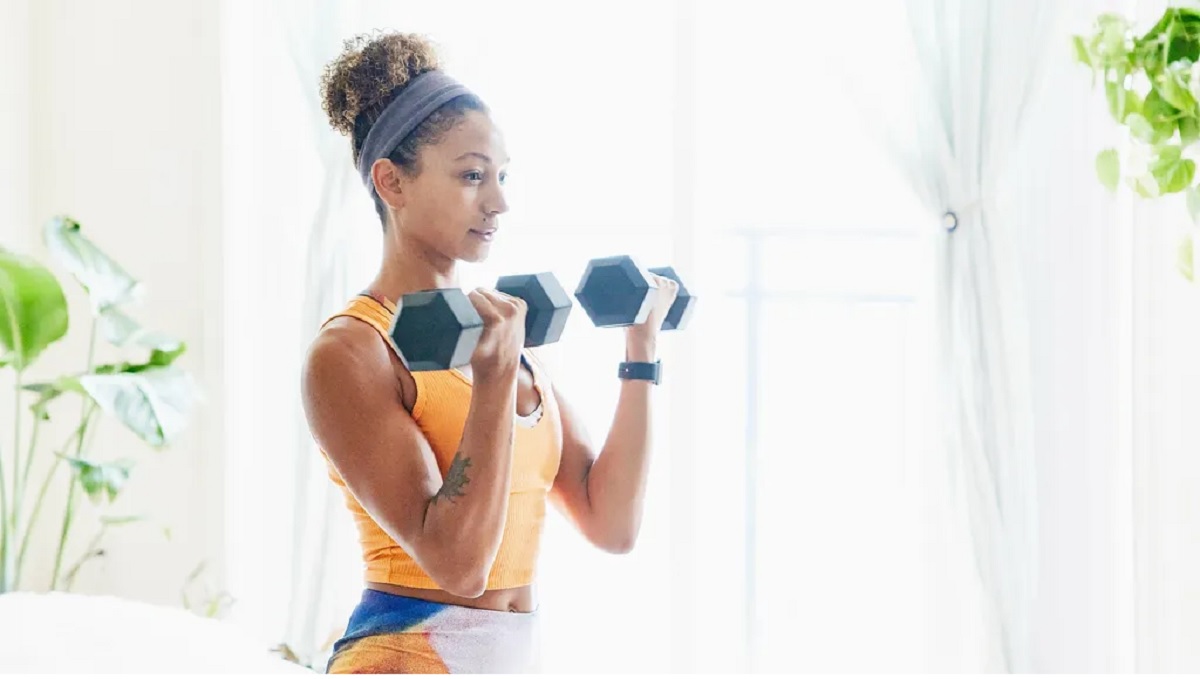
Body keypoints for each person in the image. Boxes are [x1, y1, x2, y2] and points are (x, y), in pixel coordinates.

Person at [300, 31, 679, 674]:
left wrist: (639, 354)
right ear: (392, 182)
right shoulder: (351, 352)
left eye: (500, 176)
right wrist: (496, 380)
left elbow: (611, 523)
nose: (499, 202)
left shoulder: (499, 332)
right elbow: (459, 565)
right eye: (472, 175)